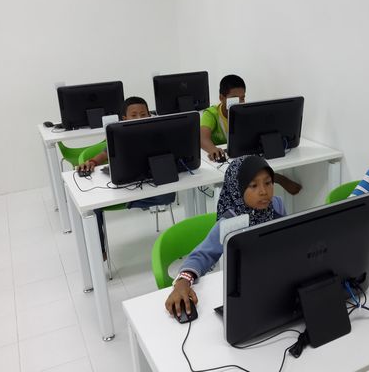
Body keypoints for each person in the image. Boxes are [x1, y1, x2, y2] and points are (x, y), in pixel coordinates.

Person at [165, 155, 286, 318]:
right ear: (237, 188)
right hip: (246, 291)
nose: (264, 191)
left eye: (268, 183)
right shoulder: (230, 221)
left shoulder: (277, 205)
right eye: (253, 185)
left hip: (274, 282)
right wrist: (183, 282)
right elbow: (203, 255)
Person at [76, 96, 175, 258]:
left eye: (143, 114)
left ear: (149, 115)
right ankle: (98, 252)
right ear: (125, 118)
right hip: (124, 182)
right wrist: (92, 162)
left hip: (149, 179)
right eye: (134, 115)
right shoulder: (120, 134)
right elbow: (105, 154)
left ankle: (129, 201)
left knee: (168, 196)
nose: (139, 118)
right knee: (95, 205)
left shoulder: (157, 132)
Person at [200, 74, 302, 195]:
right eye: (234, 99)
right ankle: (274, 177)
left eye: (242, 98)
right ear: (222, 98)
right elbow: (202, 137)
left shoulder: (245, 112)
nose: (239, 102)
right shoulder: (211, 114)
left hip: (241, 156)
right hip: (220, 163)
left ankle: (269, 178)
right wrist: (213, 149)